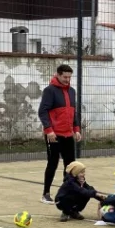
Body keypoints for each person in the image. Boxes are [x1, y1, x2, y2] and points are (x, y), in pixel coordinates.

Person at [37, 64, 82, 204]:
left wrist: (76, 129)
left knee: (70, 165)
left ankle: (65, 192)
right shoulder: (49, 91)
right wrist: (49, 130)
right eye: (65, 77)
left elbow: (73, 112)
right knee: (53, 163)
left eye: (69, 77)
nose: (67, 79)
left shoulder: (72, 91)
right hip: (54, 135)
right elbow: (42, 111)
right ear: (58, 75)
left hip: (68, 134)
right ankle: (45, 194)